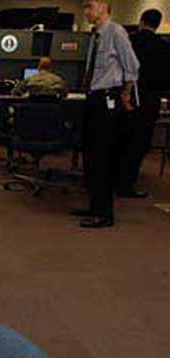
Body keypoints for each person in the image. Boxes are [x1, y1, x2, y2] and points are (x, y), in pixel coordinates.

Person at [69, 0, 140, 228]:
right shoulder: (95, 35)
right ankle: (94, 205)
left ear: (103, 6)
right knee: (90, 153)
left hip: (109, 98)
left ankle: (104, 213)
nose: (86, 11)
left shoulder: (116, 32)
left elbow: (132, 66)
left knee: (103, 157)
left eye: (89, 6)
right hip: (94, 98)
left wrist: (126, 94)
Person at [118, 9, 170, 198]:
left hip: (124, 98)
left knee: (119, 141)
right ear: (157, 25)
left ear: (141, 21)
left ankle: (111, 180)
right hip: (149, 102)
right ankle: (126, 185)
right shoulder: (163, 47)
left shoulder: (128, 41)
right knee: (138, 145)